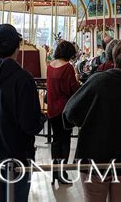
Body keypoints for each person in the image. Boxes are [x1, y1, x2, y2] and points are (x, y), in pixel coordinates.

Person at [63, 39, 121, 202]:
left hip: (93, 156)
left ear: (113, 58)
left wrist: (87, 122)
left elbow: (70, 112)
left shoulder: (98, 81)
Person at [0, 24, 46, 202]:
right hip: (16, 157)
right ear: (17, 47)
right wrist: (42, 116)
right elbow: (30, 124)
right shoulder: (23, 79)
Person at [46, 40, 80, 184]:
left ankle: (55, 171)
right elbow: (72, 88)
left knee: (56, 140)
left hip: (52, 108)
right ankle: (63, 172)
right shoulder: (68, 68)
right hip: (64, 109)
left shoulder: (50, 66)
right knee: (65, 141)